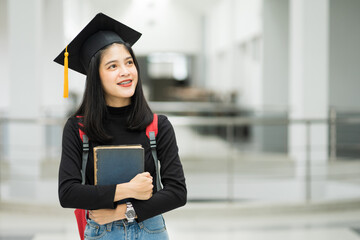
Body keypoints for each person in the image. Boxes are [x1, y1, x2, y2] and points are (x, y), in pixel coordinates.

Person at [54, 13, 187, 240]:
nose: (125, 71)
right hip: (101, 233)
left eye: (129, 62)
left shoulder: (158, 126)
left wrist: (123, 212)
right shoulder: (78, 129)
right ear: (95, 76)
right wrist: (128, 190)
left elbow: (177, 192)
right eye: (112, 66)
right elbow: (68, 193)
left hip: (151, 231)